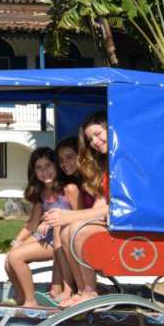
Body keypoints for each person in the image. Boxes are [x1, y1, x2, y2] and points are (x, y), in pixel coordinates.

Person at [43, 111, 110, 307]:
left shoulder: (120, 162)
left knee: (76, 228)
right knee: (68, 229)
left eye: (98, 134)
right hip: (107, 219)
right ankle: (81, 289)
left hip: (125, 223)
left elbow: (110, 208)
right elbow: (101, 204)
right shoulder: (105, 165)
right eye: (91, 139)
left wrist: (70, 215)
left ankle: (89, 291)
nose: (95, 142)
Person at [4, 148, 79, 307]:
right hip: (46, 237)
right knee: (10, 257)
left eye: (48, 165)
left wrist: (52, 219)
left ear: (57, 166)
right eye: (39, 167)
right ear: (34, 171)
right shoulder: (42, 193)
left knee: (16, 257)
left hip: (62, 238)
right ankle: (21, 296)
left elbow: (78, 217)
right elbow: (32, 223)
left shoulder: (69, 189)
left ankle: (31, 302)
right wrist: (17, 240)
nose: (45, 171)